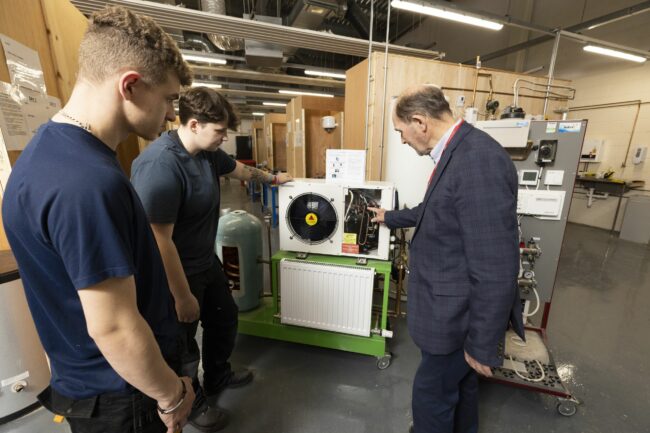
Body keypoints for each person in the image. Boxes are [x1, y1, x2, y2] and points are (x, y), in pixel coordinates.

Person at [1, 6, 196, 433]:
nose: (171, 115)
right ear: (130, 85)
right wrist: (171, 395)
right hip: (123, 396)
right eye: (168, 99)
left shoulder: (44, 158)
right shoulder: (86, 183)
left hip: (93, 384)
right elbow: (113, 326)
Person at [131, 86, 292, 431]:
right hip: (175, 273)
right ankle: (193, 403)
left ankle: (218, 376)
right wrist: (182, 295)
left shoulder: (207, 153)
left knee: (224, 318)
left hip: (206, 261)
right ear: (192, 125)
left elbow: (242, 172)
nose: (224, 138)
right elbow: (159, 239)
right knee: (182, 344)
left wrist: (275, 179)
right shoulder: (161, 165)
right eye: (219, 131)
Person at [369, 85, 525, 433]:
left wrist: (483, 344)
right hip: (450, 310)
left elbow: (496, 265)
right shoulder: (458, 151)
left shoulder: (476, 160)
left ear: (419, 122)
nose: (403, 141)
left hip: (456, 318)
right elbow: (438, 210)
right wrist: (389, 217)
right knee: (461, 387)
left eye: (401, 132)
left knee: (431, 394)